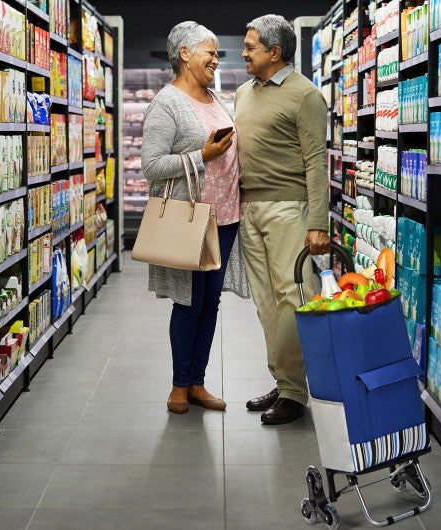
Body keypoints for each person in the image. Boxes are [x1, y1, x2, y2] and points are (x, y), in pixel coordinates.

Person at [141, 21, 250, 415]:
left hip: (226, 217)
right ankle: (179, 384)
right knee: (189, 303)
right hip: (191, 219)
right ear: (184, 53)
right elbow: (151, 165)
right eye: (211, 52)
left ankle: (199, 381)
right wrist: (199, 157)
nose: (216, 61)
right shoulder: (166, 103)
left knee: (211, 303)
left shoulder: (216, 99)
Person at [235, 14, 330, 425]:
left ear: (276, 52)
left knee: (293, 299)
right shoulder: (243, 93)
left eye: (251, 46)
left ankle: (295, 392)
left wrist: (319, 223)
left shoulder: (305, 95)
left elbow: (316, 162)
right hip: (248, 209)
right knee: (266, 302)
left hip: (288, 209)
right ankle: (283, 379)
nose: (243, 52)